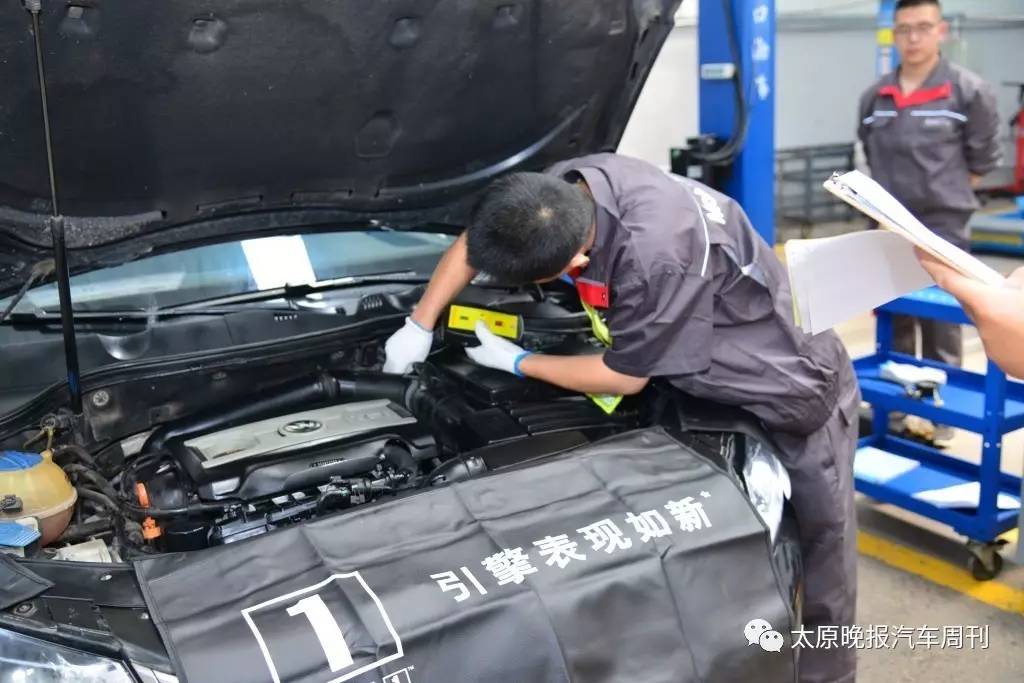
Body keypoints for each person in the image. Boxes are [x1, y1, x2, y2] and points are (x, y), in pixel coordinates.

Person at [383, 153, 860, 683]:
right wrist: (420, 322)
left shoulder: (657, 256)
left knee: (822, 545)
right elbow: (479, 239)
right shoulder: (561, 189)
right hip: (695, 377)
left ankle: (827, 675)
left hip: (785, 385)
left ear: (573, 263)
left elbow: (623, 376)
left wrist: (519, 363)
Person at [857, 0, 1001, 442]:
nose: (913, 38)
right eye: (903, 29)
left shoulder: (967, 92)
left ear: (941, 31)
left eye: (923, 27)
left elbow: (982, 160)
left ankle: (941, 418)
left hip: (944, 227)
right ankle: (896, 415)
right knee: (895, 319)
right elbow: (867, 152)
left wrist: (940, 195)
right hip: (888, 227)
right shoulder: (876, 97)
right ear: (893, 35)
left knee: (942, 321)